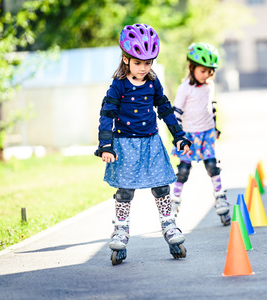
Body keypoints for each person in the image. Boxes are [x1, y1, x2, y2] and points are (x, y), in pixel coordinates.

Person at [94, 24, 192, 265]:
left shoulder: (152, 82)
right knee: (125, 191)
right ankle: (120, 230)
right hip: (125, 146)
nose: (144, 68)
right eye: (138, 63)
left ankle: (169, 226)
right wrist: (106, 145)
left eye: (148, 63)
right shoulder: (119, 85)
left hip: (151, 143)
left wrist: (178, 135)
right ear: (126, 59)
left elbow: (165, 109)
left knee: (161, 187)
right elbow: (107, 114)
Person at [171, 42, 231, 226]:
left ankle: (220, 198)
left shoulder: (209, 86)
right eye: (203, 71)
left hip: (206, 134)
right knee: (183, 171)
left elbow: (211, 107)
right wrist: (178, 137)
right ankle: (173, 203)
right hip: (189, 136)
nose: (207, 75)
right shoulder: (184, 88)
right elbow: (176, 113)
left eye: (210, 72)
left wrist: (215, 127)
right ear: (192, 67)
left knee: (212, 166)